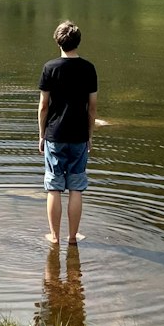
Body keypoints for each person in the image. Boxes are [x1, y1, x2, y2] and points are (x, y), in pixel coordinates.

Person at [38, 20, 97, 245]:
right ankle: (72, 238)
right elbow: (92, 107)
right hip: (79, 135)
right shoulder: (88, 68)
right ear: (78, 42)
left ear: (58, 41)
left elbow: (44, 106)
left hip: (55, 134)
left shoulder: (50, 68)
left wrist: (41, 135)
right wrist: (89, 134)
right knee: (76, 187)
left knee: (53, 187)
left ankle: (54, 237)